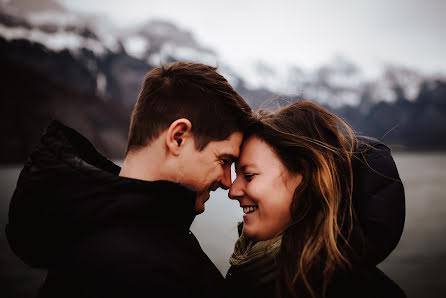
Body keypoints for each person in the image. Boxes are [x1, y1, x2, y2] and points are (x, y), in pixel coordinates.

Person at [6, 62, 253, 298]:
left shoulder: (121, 232)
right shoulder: (132, 269)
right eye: (223, 160)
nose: (227, 182)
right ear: (178, 137)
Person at [226, 101, 406, 298]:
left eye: (249, 175)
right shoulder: (251, 267)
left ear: (306, 179)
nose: (232, 191)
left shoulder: (353, 290)